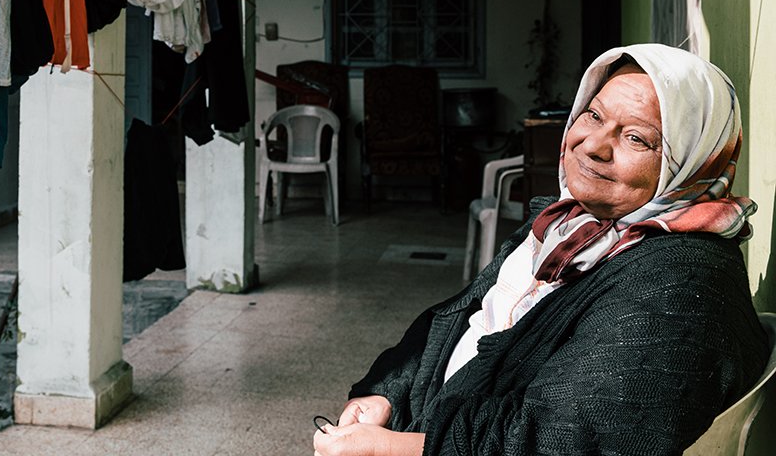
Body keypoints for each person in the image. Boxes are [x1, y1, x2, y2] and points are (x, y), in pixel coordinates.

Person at [314, 44, 767, 456]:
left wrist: (391, 449)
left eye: (636, 138)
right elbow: (460, 313)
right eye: (593, 115)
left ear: (693, 161)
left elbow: (560, 440)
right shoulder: (569, 225)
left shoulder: (679, 284)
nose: (592, 146)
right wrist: (385, 393)